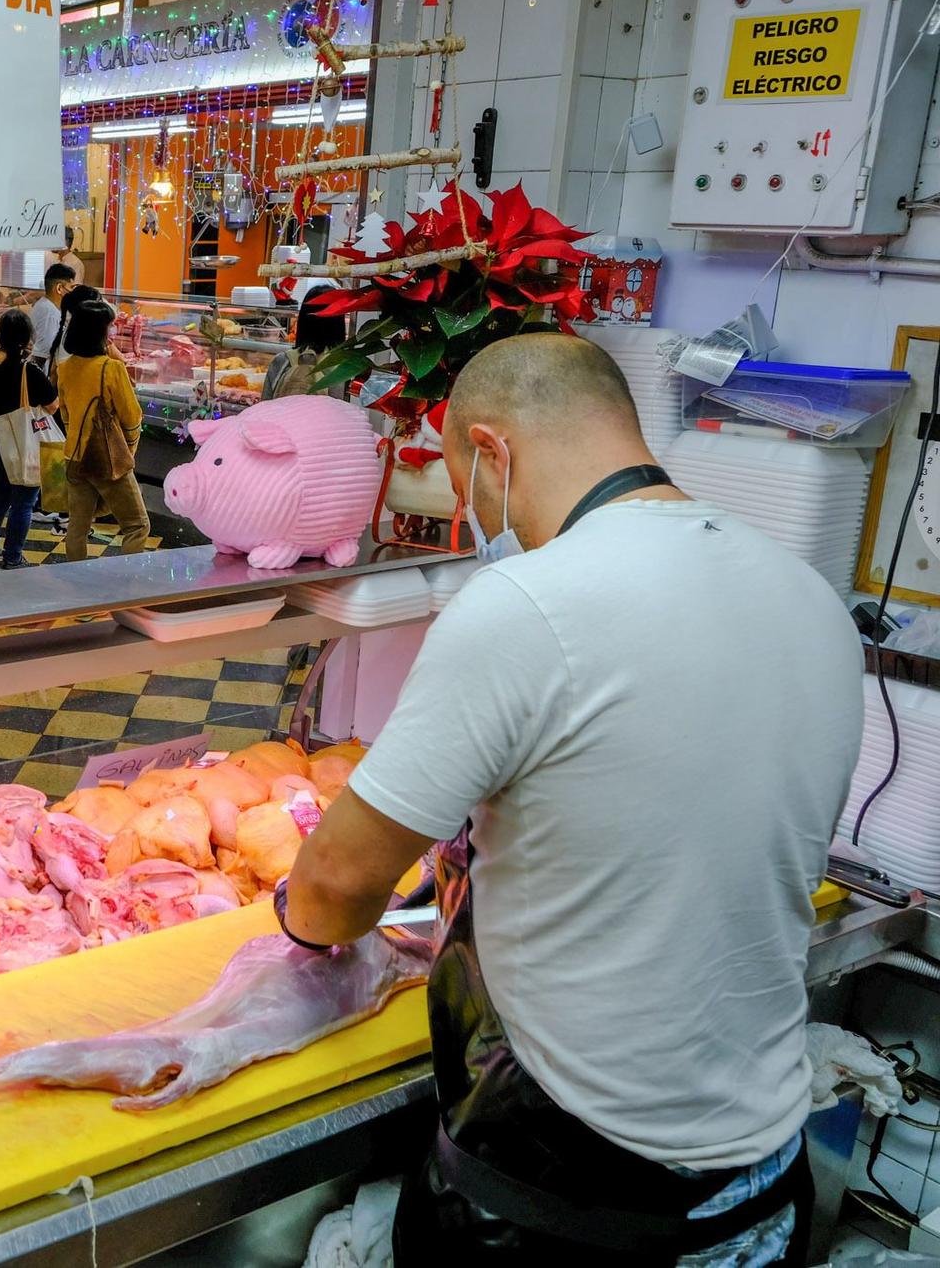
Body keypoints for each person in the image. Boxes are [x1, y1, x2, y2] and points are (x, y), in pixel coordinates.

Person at [279, 334, 861, 1267]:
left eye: (464, 488)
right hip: (761, 1186)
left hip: (568, 1204)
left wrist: (302, 933)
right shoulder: (806, 592)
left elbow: (333, 885)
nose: (473, 516)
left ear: (494, 451)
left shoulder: (527, 603)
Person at [55, 297, 147, 560]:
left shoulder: (65, 367)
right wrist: (128, 450)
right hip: (108, 460)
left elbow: (67, 415)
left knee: (77, 528)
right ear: (100, 332)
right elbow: (132, 417)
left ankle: (80, 587)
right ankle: (125, 586)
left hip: (73, 455)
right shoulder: (112, 368)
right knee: (137, 526)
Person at [0, 308, 59, 570]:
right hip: (24, 439)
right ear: (26, 338)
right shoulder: (27, 371)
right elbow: (53, 405)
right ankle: (13, 556)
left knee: (2, 491)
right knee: (25, 497)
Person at [31, 262, 77, 372]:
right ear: (59, 288)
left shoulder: (45, 306)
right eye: (71, 287)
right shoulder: (50, 314)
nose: (72, 292)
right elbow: (41, 355)